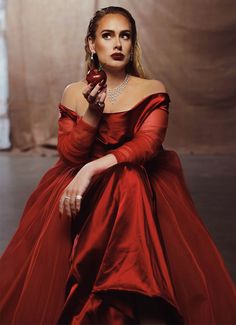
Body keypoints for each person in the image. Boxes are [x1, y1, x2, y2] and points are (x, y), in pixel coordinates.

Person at [0, 5, 235, 325]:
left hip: (134, 182)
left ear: (132, 43)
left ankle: (123, 295)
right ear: (91, 44)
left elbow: (148, 145)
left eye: (125, 36)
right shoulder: (74, 92)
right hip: (87, 190)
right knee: (121, 181)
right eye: (107, 36)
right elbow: (70, 156)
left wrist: (92, 169)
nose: (117, 44)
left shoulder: (152, 89)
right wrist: (92, 116)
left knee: (128, 178)